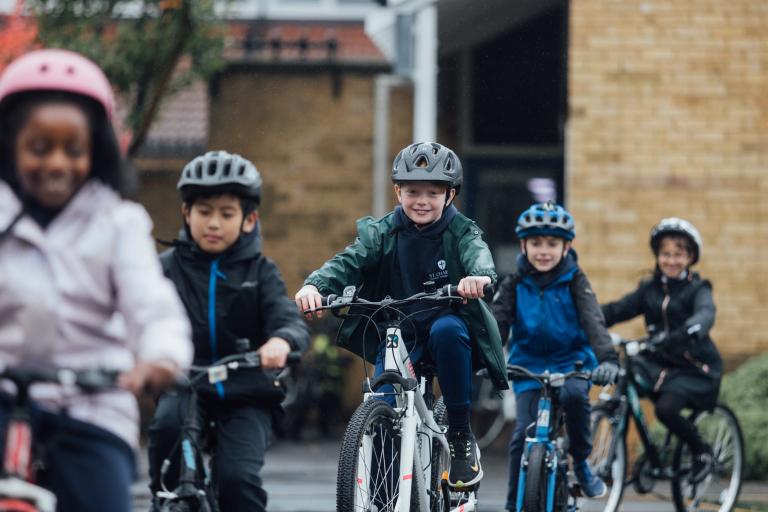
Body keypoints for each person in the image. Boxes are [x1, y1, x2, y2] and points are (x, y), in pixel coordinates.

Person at [0, 49, 193, 511]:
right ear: (9, 146)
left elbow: (151, 304)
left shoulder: (118, 223)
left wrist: (160, 358)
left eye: (74, 150)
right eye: (39, 148)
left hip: (91, 405)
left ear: (97, 151)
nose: (57, 164)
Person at [295, 141, 507, 488]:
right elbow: (348, 261)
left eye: (433, 193)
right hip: (399, 329)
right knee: (383, 406)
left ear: (450, 195)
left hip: (444, 325)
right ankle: (383, 495)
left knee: (447, 330)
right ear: (398, 192)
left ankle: (459, 435)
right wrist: (315, 285)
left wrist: (478, 277)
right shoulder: (382, 232)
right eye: (412, 192)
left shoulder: (461, 231)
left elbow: (477, 253)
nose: (422, 201)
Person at [147, 150, 310, 511]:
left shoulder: (261, 272)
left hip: (246, 391)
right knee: (166, 432)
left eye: (226, 214)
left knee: (237, 479)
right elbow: (139, 314)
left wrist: (281, 341)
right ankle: (169, 499)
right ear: (186, 213)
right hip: (184, 384)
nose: (214, 223)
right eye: (204, 212)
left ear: (249, 220)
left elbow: (287, 318)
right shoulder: (165, 269)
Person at [491, 201, 619, 510]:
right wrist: (487, 358)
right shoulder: (514, 283)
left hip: (571, 363)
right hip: (528, 367)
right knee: (522, 435)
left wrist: (608, 360)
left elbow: (594, 322)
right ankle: (512, 504)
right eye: (536, 243)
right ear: (523, 246)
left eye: (552, 243)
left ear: (566, 247)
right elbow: (498, 323)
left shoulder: (576, 281)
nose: (544, 251)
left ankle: (582, 464)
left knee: (575, 400)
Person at [601, 217, 721, 484]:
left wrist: (690, 330)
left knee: (666, 410)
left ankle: (701, 452)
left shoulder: (698, 289)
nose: (671, 260)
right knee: (628, 374)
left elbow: (705, 313)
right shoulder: (649, 289)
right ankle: (644, 454)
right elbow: (618, 310)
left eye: (679, 255)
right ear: (657, 256)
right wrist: (587, 317)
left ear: (690, 257)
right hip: (659, 363)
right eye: (665, 254)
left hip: (694, 367)